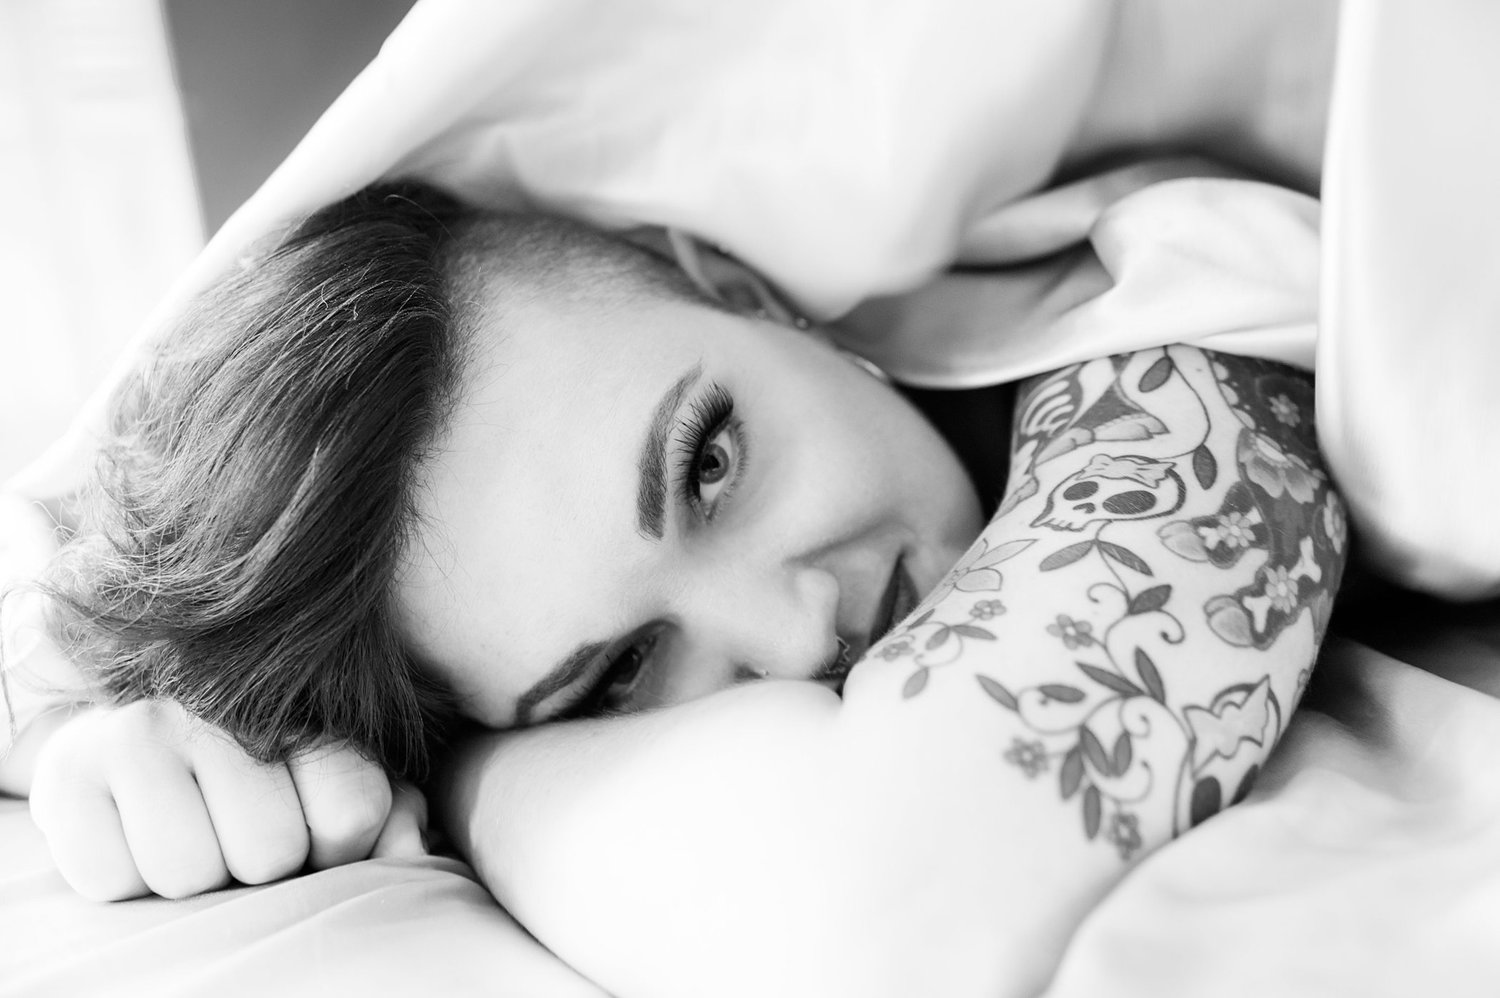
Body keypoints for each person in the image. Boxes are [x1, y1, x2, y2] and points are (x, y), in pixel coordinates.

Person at [1, 180, 1343, 991]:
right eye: (619, 672)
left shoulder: (1167, 308)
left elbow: (895, 915)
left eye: (710, 463)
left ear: (739, 288)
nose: (796, 636)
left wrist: (481, 776)